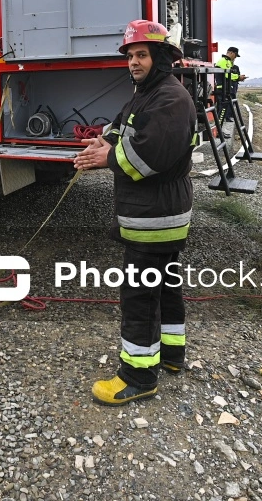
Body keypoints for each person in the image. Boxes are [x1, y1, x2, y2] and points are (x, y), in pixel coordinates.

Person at [73, 20, 197, 405]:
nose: (133, 62)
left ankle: (138, 376)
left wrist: (108, 157)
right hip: (159, 213)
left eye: (141, 55)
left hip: (154, 215)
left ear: (160, 58)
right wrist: (101, 143)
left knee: (140, 294)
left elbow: (149, 154)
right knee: (166, 284)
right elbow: (122, 129)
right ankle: (172, 355)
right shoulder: (147, 95)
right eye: (130, 56)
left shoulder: (170, 99)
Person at [213, 46, 246, 126]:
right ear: (231, 53)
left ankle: (219, 131)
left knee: (222, 111)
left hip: (225, 89)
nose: (235, 58)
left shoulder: (227, 62)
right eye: (235, 55)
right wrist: (238, 77)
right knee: (221, 111)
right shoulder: (224, 61)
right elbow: (227, 75)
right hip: (222, 89)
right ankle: (218, 131)